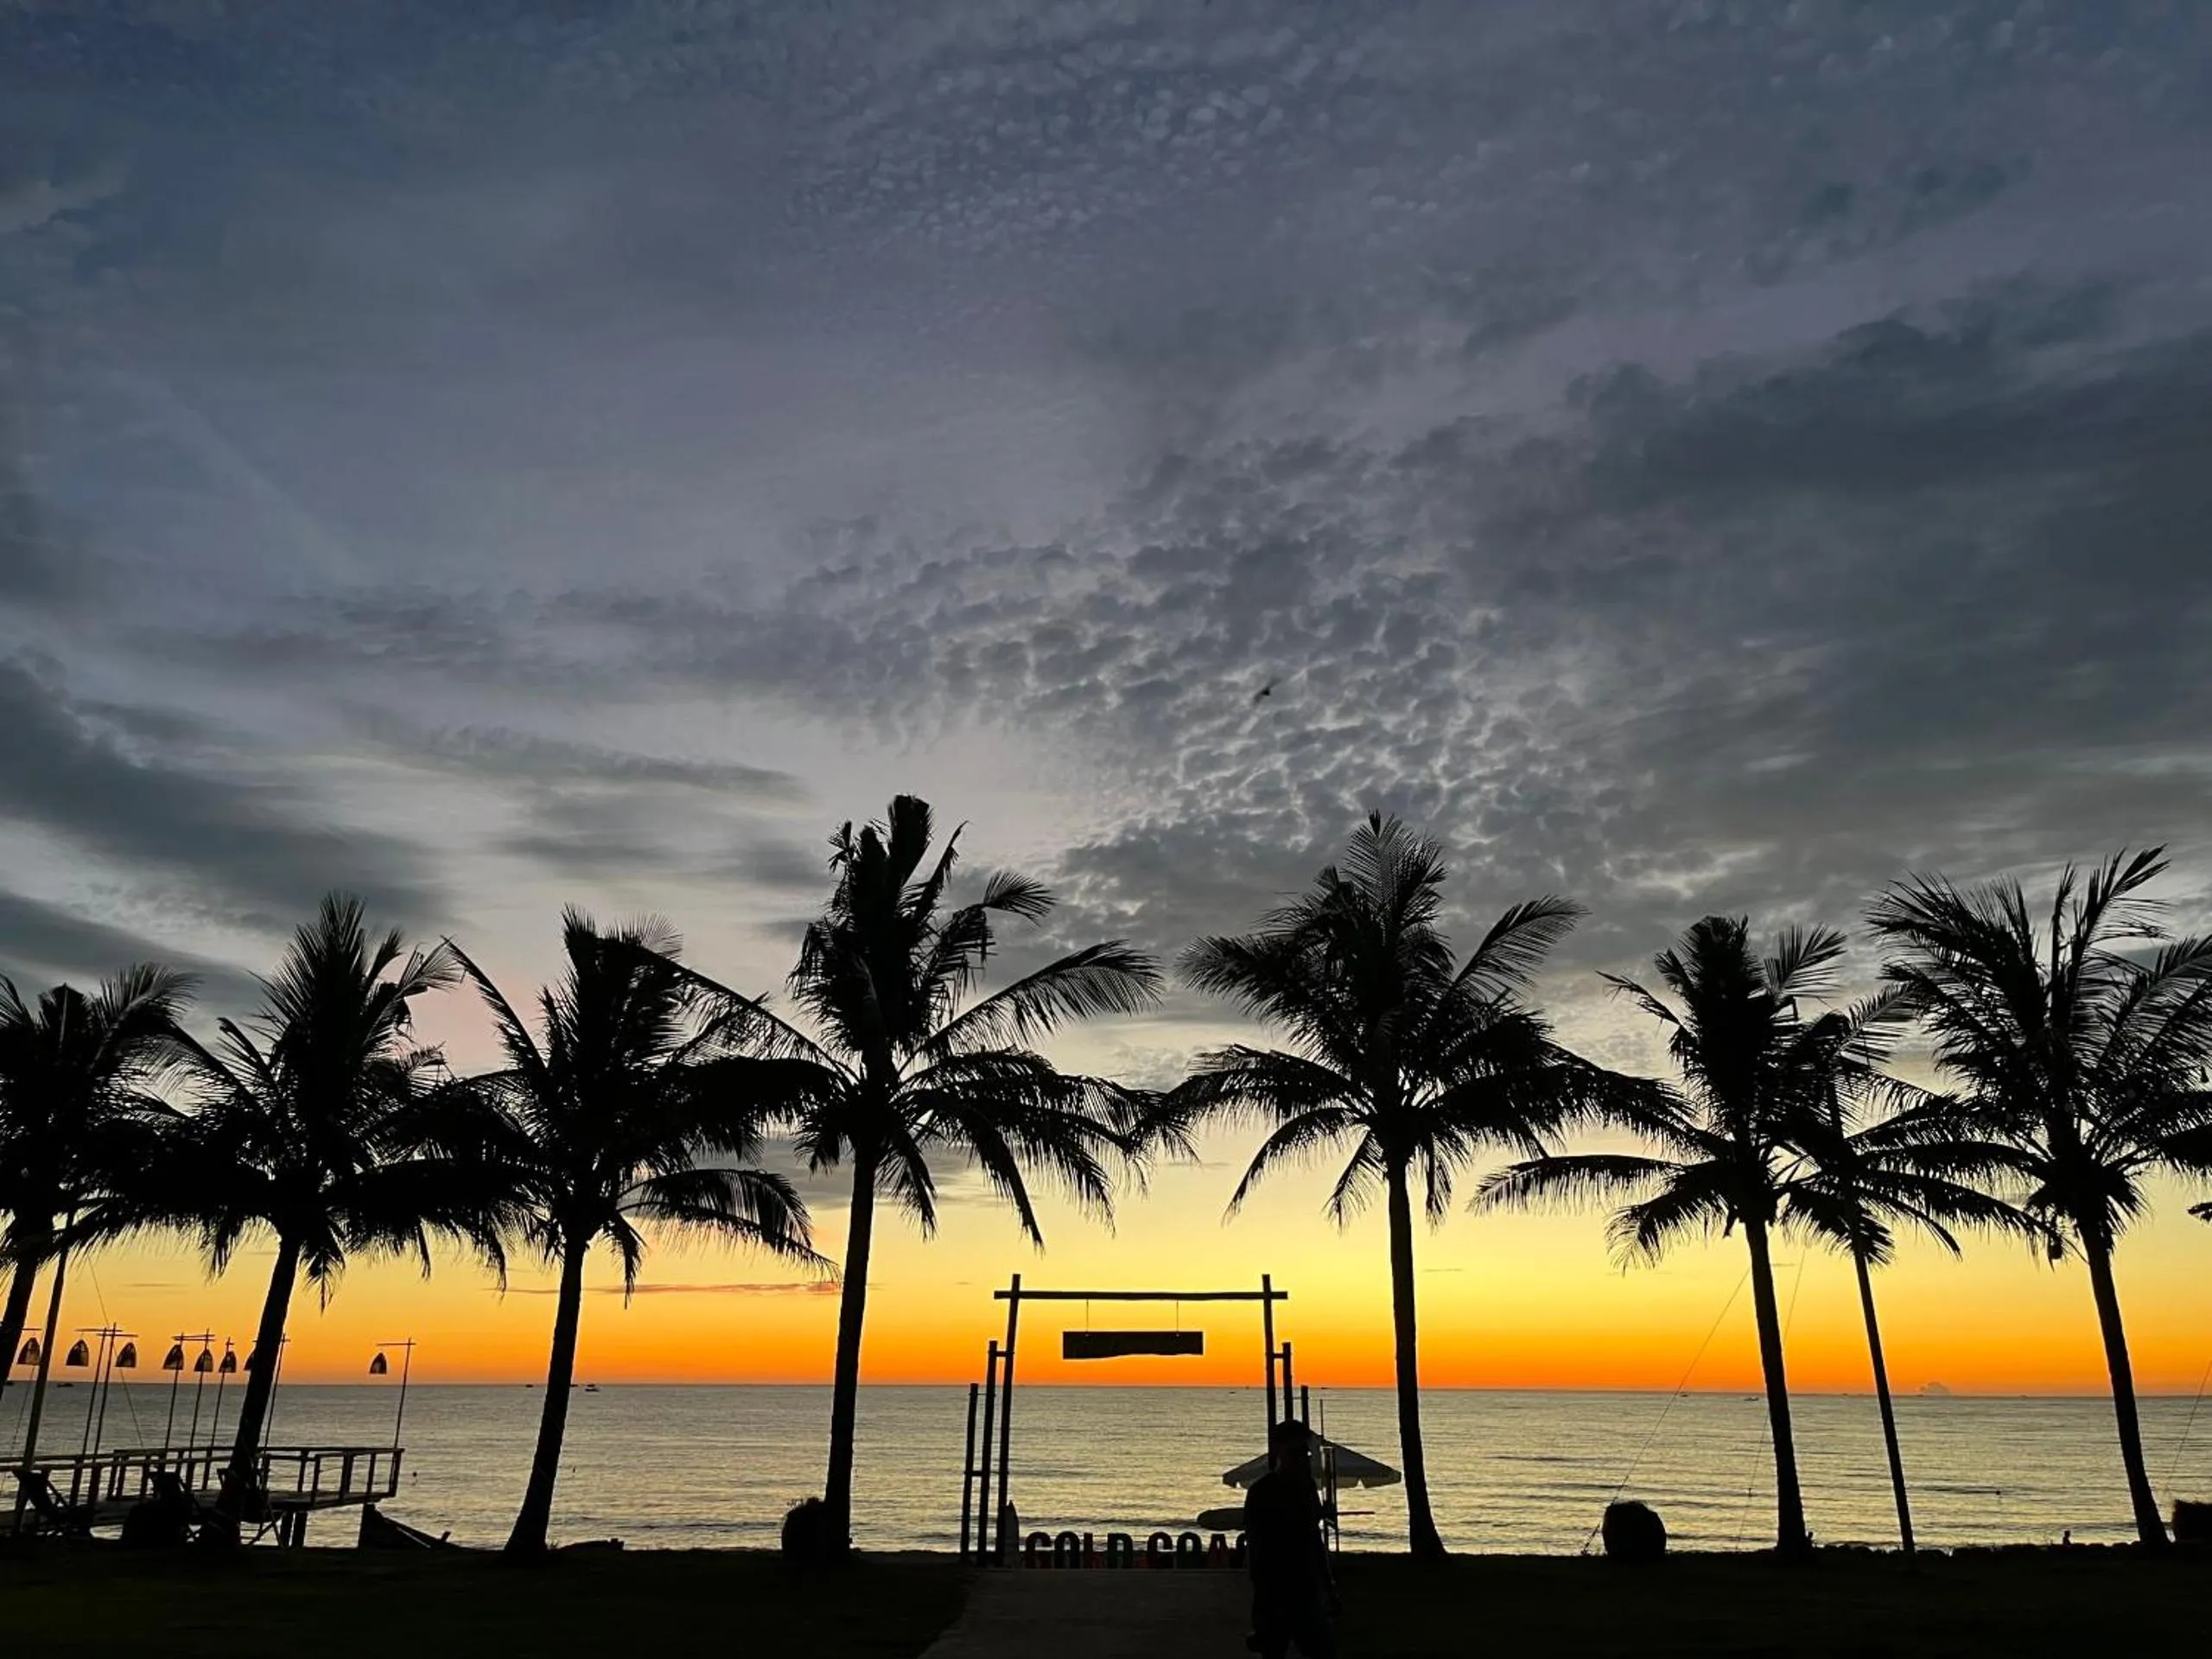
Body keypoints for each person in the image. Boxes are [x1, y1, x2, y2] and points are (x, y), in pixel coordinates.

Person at [1243, 1418, 1338, 1659]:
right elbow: (1257, 1551)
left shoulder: (1306, 1487)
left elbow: (1314, 1540)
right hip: (1277, 1592)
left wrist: (1328, 1586)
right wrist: (1264, 1600)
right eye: (1296, 1453)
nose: (1303, 1459)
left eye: (1305, 1453)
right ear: (1278, 1451)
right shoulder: (1262, 1492)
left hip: (1306, 1590)